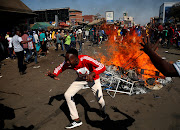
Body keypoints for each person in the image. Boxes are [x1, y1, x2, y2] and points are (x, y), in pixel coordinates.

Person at [47, 48, 107, 129]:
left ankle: (102, 111)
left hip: (93, 80)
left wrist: (92, 74)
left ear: (76, 59)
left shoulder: (85, 59)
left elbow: (102, 66)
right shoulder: (67, 63)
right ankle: (76, 120)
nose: (67, 62)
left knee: (100, 100)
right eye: (66, 59)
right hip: (81, 80)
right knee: (67, 95)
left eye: (69, 60)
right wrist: (54, 74)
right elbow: (59, 68)